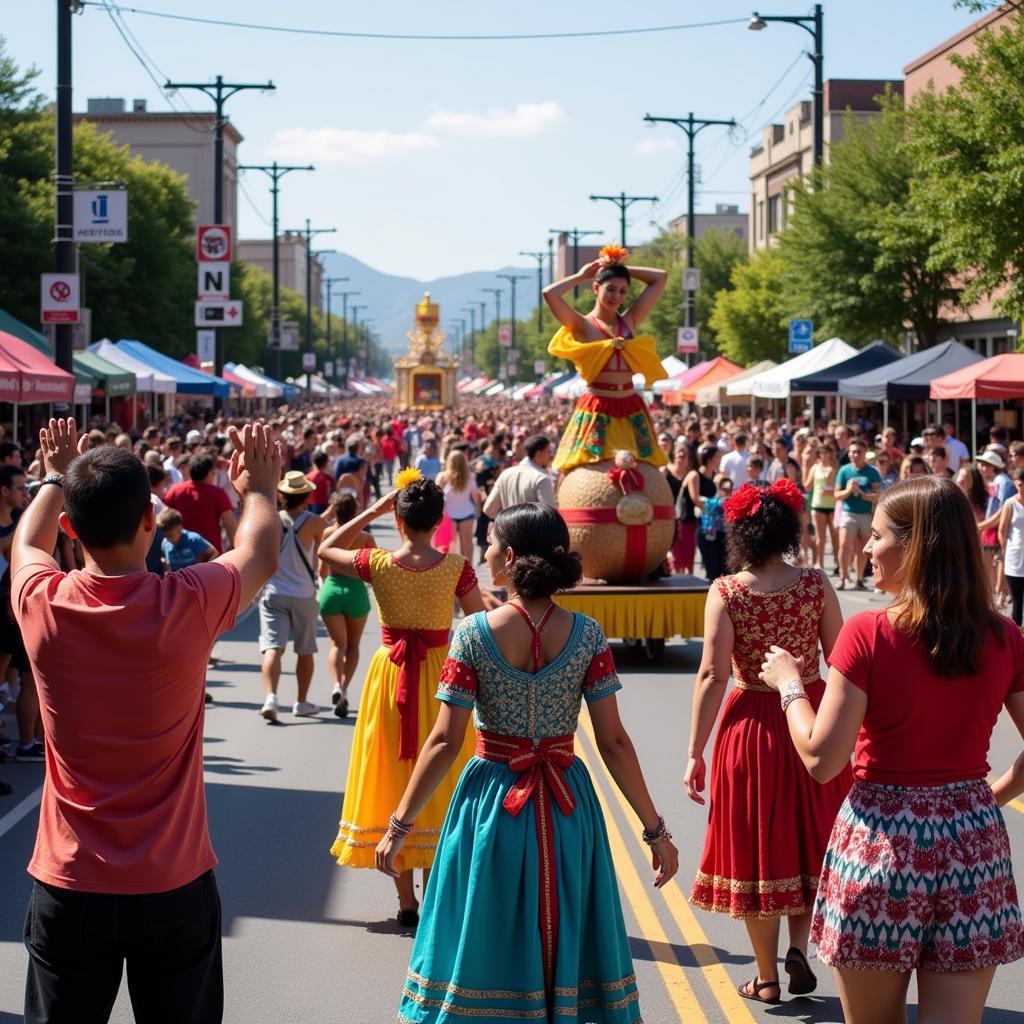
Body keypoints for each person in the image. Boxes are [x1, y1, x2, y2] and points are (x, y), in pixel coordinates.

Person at [13, 417, 281, 1024]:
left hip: (69, 879)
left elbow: (25, 546)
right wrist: (260, 488)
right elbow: (260, 551)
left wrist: (54, 475)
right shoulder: (185, 600)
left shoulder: (43, 603)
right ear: (146, 523)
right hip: (172, 884)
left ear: (70, 530)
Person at [377, 503, 678, 1022]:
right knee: (565, 925)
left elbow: (445, 740)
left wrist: (400, 825)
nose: (485, 551)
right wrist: (656, 832)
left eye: (491, 543)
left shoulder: (473, 634)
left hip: (491, 802)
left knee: (483, 926)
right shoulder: (587, 635)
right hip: (568, 805)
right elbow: (615, 743)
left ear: (510, 556)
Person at [760, 475, 1024, 1024]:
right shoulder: (1004, 636)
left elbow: (820, 758)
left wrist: (789, 683)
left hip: (883, 844)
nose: (868, 548)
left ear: (914, 546)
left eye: (877, 536)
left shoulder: (870, 633)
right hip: (972, 846)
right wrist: (985, 798)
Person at [685, 478, 853, 1005]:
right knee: (808, 838)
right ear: (788, 531)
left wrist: (695, 749)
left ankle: (766, 977)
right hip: (811, 713)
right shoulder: (814, 584)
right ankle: (798, 949)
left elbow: (713, 673)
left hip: (751, 722)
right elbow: (841, 659)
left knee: (759, 847)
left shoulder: (728, 590)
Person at [321, 476, 484, 925]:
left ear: (399, 518)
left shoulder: (377, 563)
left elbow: (326, 548)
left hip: (389, 672)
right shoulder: (457, 567)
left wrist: (370, 513)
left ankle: (406, 901)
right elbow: (478, 625)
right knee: (439, 772)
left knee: (397, 772)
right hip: (441, 674)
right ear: (440, 521)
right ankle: (432, 894)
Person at [543, 247, 668, 473]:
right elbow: (550, 294)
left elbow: (660, 278)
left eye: (622, 291)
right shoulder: (582, 325)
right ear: (595, 288)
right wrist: (582, 276)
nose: (616, 297)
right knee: (586, 468)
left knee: (644, 469)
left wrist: (617, 267)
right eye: (610, 289)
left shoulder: (630, 320)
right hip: (598, 404)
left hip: (631, 403)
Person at [258, 471, 327, 722]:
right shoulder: (315, 523)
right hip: (304, 593)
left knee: (273, 648)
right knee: (305, 650)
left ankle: (271, 697)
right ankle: (301, 701)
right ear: (306, 497)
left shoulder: (271, 521)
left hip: (275, 591)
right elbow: (325, 553)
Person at [317, 491, 373, 718]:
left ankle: (336, 686)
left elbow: (322, 566)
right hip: (356, 590)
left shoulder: (328, 533)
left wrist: (323, 584)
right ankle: (344, 686)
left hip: (331, 588)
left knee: (336, 644)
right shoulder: (365, 536)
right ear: (355, 512)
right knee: (353, 645)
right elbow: (374, 564)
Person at [164, 453, 236, 554]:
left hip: (182, 555)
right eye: (213, 472)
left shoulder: (175, 490)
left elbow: (163, 518)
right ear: (209, 473)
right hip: (211, 555)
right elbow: (230, 525)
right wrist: (234, 550)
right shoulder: (218, 493)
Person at [834, 441, 881, 590]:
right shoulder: (844, 470)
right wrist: (849, 490)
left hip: (866, 514)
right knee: (844, 545)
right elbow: (837, 494)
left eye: (858, 452)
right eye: (852, 452)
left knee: (862, 548)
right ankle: (842, 577)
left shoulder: (872, 471)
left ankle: (859, 579)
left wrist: (861, 492)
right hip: (848, 512)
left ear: (865, 453)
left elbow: (877, 495)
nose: (854, 455)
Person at [482, 434, 555, 517]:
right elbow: (551, 516)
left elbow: (489, 509)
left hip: (508, 528)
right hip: (533, 529)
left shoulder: (505, 474)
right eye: (549, 452)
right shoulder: (541, 478)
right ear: (538, 454)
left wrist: (508, 521)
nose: (551, 455)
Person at [435, 448, 480, 561]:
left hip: (448, 514)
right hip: (467, 513)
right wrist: (478, 509)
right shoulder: (470, 477)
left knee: (449, 544)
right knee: (467, 542)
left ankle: (450, 569)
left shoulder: (442, 477)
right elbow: (475, 495)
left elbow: (435, 495)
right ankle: (468, 568)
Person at [805, 442, 838, 572]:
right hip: (818, 504)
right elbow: (807, 486)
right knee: (820, 536)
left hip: (833, 504)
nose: (824, 455)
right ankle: (819, 562)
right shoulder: (815, 468)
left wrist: (832, 491)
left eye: (826, 452)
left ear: (830, 454)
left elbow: (839, 486)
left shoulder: (835, 467)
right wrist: (804, 465)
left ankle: (837, 562)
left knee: (835, 535)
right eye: (821, 453)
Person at [666, 440, 696, 573]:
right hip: (669, 520)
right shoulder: (666, 471)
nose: (682, 454)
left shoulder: (692, 474)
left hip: (687, 519)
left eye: (685, 453)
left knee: (688, 557)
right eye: (679, 451)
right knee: (674, 557)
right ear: (674, 454)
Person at [999, 470, 1024, 626]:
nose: (1022, 488)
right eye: (1020, 484)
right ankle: (1017, 637)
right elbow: (1002, 530)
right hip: (1014, 558)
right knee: (1017, 601)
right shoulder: (1010, 503)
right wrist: (1004, 551)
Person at [305, 449, 333, 515]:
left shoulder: (307, 477)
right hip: (323, 509)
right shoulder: (328, 479)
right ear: (326, 463)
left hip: (308, 508)